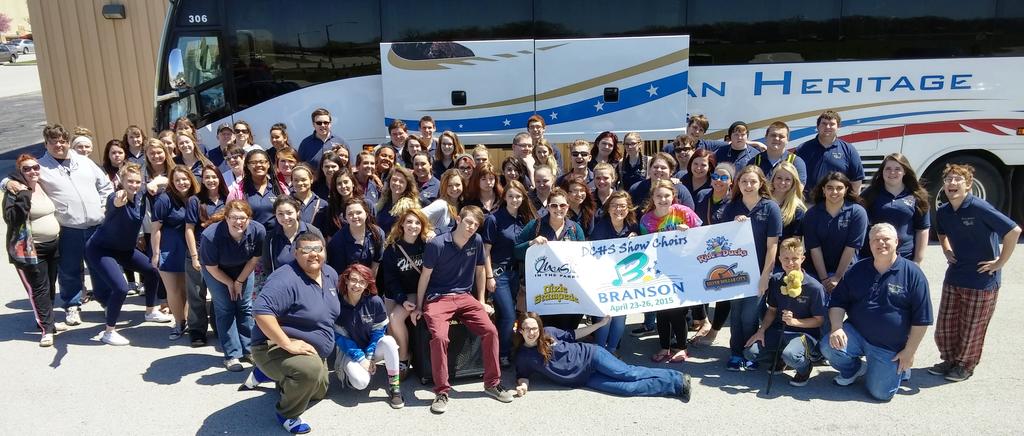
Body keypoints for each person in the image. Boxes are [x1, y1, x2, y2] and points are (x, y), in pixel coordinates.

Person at [4, 124, 115, 327]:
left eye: (63, 141)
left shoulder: (84, 161)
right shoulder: (40, 166)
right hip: (68, 227)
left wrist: (103, 206)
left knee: (99, 267)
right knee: (69, 269)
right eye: (53, 142)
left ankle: (107, 301)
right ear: (46, 144)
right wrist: (5, 183)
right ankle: (72, 306)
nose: (59, 145)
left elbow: (105, 185)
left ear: (68, 142)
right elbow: (14, 178)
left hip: (95, 225)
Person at [410, 206, 515, 413]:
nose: (471, 227)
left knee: (490, 331)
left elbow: (480, 271)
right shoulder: (437, 244)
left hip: (465, 297)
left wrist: (481, 300)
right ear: (458, 219)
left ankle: (492, 383)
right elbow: (425, 277)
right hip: (438, 298)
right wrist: (420, 307)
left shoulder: (476, 241)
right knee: (440, 338)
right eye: (468, 222)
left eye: (475, 225)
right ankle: (442, 391)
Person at [930, 164, 1021, 382]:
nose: (952, 183)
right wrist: (946, 250)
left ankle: (965, 366)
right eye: (948, 180)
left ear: (969, 185)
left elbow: (1013, 231)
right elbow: (941, 233)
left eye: (957, 180)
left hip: (982, 280)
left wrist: (999, 263)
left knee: (971, 328)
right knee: (945, 326)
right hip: (955, 275)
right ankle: (949, 360)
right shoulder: (943, 211)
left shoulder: (980, 208)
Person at [821, 223, 932, 401]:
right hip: (857, 333)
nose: (881, 243)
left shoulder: (913, 274)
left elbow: (922, 319)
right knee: (828, 346)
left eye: (886, 239)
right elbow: (838, 302)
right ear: (870, 244)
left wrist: (909, 351)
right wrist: (836, 327)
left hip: (888, 345)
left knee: (881, 394)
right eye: (876, 240)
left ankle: (898, 366)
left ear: (897, 242)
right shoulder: (857, 269)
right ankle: (854, 369)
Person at [249, 232, 340, 434]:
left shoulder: (329, 274)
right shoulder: (285, 278)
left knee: (318, 392)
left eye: (318, 249)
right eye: (306, 250)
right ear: (295, 253)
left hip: (312, 349)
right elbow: (261, 312)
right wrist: (287, 344)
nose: (313, 254)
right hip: (273, 344)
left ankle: (269, 374)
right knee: (308, 372)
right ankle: (287, 414)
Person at [513, 312, 691, 400]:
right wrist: (523, 387)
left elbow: (575, 334)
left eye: (534, 328)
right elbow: (523, 375)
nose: (531, 332)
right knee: (626, 389)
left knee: (628, 374)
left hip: (592, 356)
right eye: (527, 329)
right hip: (583, 379)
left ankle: (678, 379)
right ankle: (674, 387)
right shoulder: (523, 357)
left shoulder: (549, 333)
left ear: (540, 328)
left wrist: (600, 325)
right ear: (520, 331)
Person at [84, 163, 164, 346]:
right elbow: (116, 201)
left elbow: (163, 179)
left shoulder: (141, 195)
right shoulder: (116, 197)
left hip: (125, 249)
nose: (134, 185)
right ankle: (109, 332)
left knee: (152, 270)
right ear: (121, 181)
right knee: (121, 288)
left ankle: (150, 311)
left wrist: (154, 183)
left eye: (137, 182)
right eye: (130, 181)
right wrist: (120, 198)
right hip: (101, 249)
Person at [743, 237, 826, 386]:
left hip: (804, 334)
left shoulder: (814, 287)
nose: (790, 263)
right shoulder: (776, 280)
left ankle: (804, 367)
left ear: (802, 259)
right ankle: (780, 358)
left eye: (795, 258)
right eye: (786, 258)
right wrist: (761, 330)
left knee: (791, 355)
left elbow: (819, 320)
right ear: (780, 259)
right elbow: (772, 310)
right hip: (779, 329)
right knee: (750, 353)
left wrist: (795, 322)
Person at [723, 165, 782, 371]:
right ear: (738, 184)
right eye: (744, 181)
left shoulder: (770, 208)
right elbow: (722, 241)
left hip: (758, 271)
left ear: (761, 183)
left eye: (753, 181)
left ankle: (749, 352)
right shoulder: (732, 207)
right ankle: (735, 353)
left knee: (749, 315)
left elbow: (773, 245)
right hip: (735, 271)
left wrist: (766, 275)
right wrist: (734, 226)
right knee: (736, 314)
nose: (748, 185)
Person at [4, 154, 66, 346]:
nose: (32, 171)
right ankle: (46, 329)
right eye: (27, 168)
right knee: (39, 289)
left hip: (52, 245)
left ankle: (49, 321)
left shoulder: (43, 185)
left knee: (50, 286)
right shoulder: (15, 191)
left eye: (35, 167)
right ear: (19, 172)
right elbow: (11, 218)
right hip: (30, 250)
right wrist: (23, 196)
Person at [639, 179, 703, 363]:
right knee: (662, 311)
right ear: (652, 197)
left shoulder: (684, 212)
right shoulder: (646, 220)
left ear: (673, 196)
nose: (663, 199)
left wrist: (688, 232)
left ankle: (682, 348)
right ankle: (664, 347)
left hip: (683, 269)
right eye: (658, 196)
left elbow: (702, 236)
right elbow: (643, 247)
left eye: (667, 195)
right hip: (658, 270)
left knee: (677, 311)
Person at [200, 200, 266, 371]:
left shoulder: (258, 230)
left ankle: (249, 349)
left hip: (244, 268)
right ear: (226, 218)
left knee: (244, 307)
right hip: (216, 271)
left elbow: (254, 259)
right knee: (225, 308)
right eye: (234, 218)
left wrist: (239, 281)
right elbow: (211, 268)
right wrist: (230, 283)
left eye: (243, 218)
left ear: (249, 218)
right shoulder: (210, 236)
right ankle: (231, 355)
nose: (239, 222)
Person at [333, 264, 405, 409]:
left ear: (367, 284)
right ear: (346, 280)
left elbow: (378, 332)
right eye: (353, 280)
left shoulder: (374, 301)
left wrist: (369, 357)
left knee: (389, 341)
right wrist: (361, 359)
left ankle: (395, 388)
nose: (357, 285)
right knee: (361, 383)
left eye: (362, 282)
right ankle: (348, 374)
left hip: (371, 349)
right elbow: (341, 338)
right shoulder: (337, 304)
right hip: (348, 352)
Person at [515, 188, 587, 331]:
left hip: (568, 290)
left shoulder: (575, 228)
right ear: (548, 207)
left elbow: (584, 258)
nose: (558, 209)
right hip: (542, 290)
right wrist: (531, 243)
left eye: (562, 205)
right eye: (554, 205)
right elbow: (516, 251)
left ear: (568, 207)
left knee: (567, 328)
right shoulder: (535, 225)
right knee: (545, 329)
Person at [482, 180, 537, 366]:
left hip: (515, 274)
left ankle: (501, 348)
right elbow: (485, 251)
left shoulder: (523, 220)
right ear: (504, 197)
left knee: (507, 314)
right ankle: (502, 354)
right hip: (499, 274)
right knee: (509, 315)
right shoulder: (494, 219)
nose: (515, 199)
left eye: (518, 196)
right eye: (511, 196)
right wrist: (489, 276)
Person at [379, 202, 433, 376]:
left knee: (395, 318)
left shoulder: (427, 245)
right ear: (401, 224)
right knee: (390, 325)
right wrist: (402, 299)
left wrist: (434, 235)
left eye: (417, 223)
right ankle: (397, 356)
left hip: (419, 291)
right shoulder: (393, 248)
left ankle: (404, 358)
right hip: (398, 292)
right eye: (409, 222)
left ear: (422, 226)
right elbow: (390, 279)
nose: (413, 226)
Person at [687, 163, 737, 345]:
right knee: (696, 285)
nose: (718, 181)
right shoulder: (702, 195)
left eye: (724, 177)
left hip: (725, 253)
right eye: (716, 176)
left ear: (731, 181)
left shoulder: (735, 201)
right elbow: (692, 219)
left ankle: (714, 332)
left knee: (723, 294)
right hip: (701, 251)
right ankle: (704, 321)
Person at [151, 166, 200, 339]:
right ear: (172, 182)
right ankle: (178, 323)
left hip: (190, 249)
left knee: (187, 289)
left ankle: (186, 320)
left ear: (191, 179)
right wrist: (156, 254)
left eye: (185, 179)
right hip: (169, 249)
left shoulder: (196, 197)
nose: (181, 183)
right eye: (177, 180)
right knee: (173, 290)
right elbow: (155, 229)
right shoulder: (164, 199)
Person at [588, 191, 638, 353]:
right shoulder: (601, 227)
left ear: (628, 208)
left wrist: (637, 238)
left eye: (622, 206)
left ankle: (612, 350)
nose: (618, 209)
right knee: (604, 318)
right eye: (614, 206)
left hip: (625, 279)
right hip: (604, 279)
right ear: (608, 208)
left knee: (620, 318)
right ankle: (600, 352)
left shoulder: (633, 226)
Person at [804, 172, 869, 293]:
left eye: (839, 188)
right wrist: (824, 279)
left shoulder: (857, 213)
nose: (834, 192)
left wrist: (838, 277)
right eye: (830, 188)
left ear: (846, 189)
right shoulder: (812, 214)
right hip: (816, 272)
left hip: (846, 271)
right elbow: (814, 248)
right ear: (823, 190)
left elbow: (851, 247)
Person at [185, 164, 227, 346]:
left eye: (214, 177)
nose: (211, 180)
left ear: (220, 178)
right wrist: (194, 255)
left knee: (220, 294)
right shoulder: (195, 200)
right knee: (197, 293)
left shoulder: (227, 198)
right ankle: (197, 330)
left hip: (222, 255)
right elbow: (189, 228)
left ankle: (218, 326)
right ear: (202, 180)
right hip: (199, 252)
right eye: (207, 177)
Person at [861, 153, 930, 263]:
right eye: (888, 169)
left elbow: (922, 229)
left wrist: (917, 260)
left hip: (905, 257)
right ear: (882, 172)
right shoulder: (869, 194)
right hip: (874, 256)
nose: (892, 172)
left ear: (905, 171)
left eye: (897, 169)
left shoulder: (917, 196)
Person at [795, 110, 865, 196]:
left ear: (838, 127)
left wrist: (851, 201)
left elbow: (856, 180)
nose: (827, 127)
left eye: (832, 124)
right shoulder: (802, 149)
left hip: (837, 201)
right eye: (824, 124)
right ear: (817, 126)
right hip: (808, 202)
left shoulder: (849, 150)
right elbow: (791, 175)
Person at [228, 149, 288, 231]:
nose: (258, 165)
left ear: (268, 164)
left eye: (262, 162)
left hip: (278, 236)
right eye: (253, 163)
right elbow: (230, 215)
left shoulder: (280, 187)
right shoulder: (238, 190)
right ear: (247, 166)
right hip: (251, 236)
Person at [264, 196, 324, 274]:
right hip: (282, 280)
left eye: (289, 213)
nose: (285, 217)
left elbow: (323, 259)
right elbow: (268, 267)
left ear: (297, 212)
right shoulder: (271, 238)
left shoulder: (312, 232)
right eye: (280, 214)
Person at [325, 200, 384, 275]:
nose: (355, 216)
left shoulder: (377, 233)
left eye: (359, 212)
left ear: (366, 214)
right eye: (350, 214)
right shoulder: (338, 241)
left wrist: (370, 280)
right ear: (345, 217)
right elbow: (339, 273)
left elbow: (376, 261)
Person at [628, 152, 695, 211]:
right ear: (649, 169)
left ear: (671, 172)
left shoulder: (680, 190)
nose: (659, 170)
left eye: (663, 168)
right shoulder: (636, 189)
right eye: (655, 167)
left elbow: (690, 215)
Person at [320, 169, 364, 239]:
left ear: (353, 183)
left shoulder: (365, 204)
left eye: (346, 182)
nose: (343, 186)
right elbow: (330, 237)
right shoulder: (331, 208)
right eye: (339, 184)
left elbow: (372, 228)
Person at [770, 161, 807, 241]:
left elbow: (795, 243)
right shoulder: (761, 201)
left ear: (793, 182)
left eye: (787, 179)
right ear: (773, 179)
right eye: (779, 178)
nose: (782, 182)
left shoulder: (798, 209)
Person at [376, 167, 420, 232]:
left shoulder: (409, 208)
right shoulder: (383, 203)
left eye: (401, 181)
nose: (397, 183)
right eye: (394, 179)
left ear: (407, 185)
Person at [422, 169, 464, 234]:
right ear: (444, 187)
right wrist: (427, 232)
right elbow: (418, 215)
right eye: (449, 185)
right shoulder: (441, 204)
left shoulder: (462, 203)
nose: (454, 189)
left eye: (457, 184)